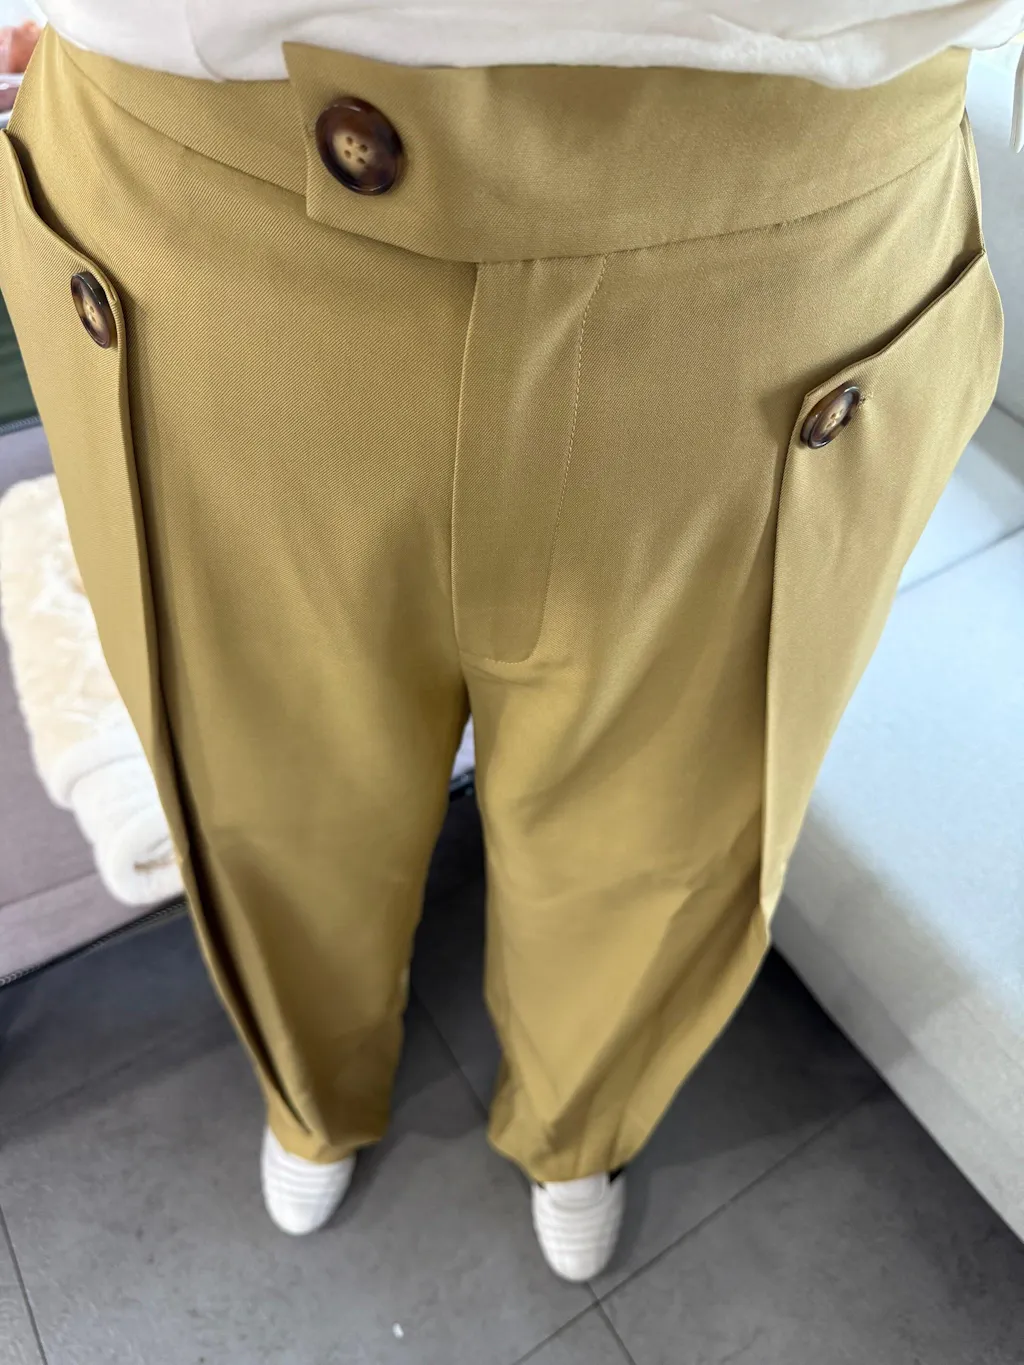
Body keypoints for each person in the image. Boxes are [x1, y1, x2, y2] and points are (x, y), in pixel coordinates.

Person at [0, 2, 1016, 1283]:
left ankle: (577, 1119)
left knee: (659, 829)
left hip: (785, 266)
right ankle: (312, 1090)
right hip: (209, 230)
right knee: (270, 793)